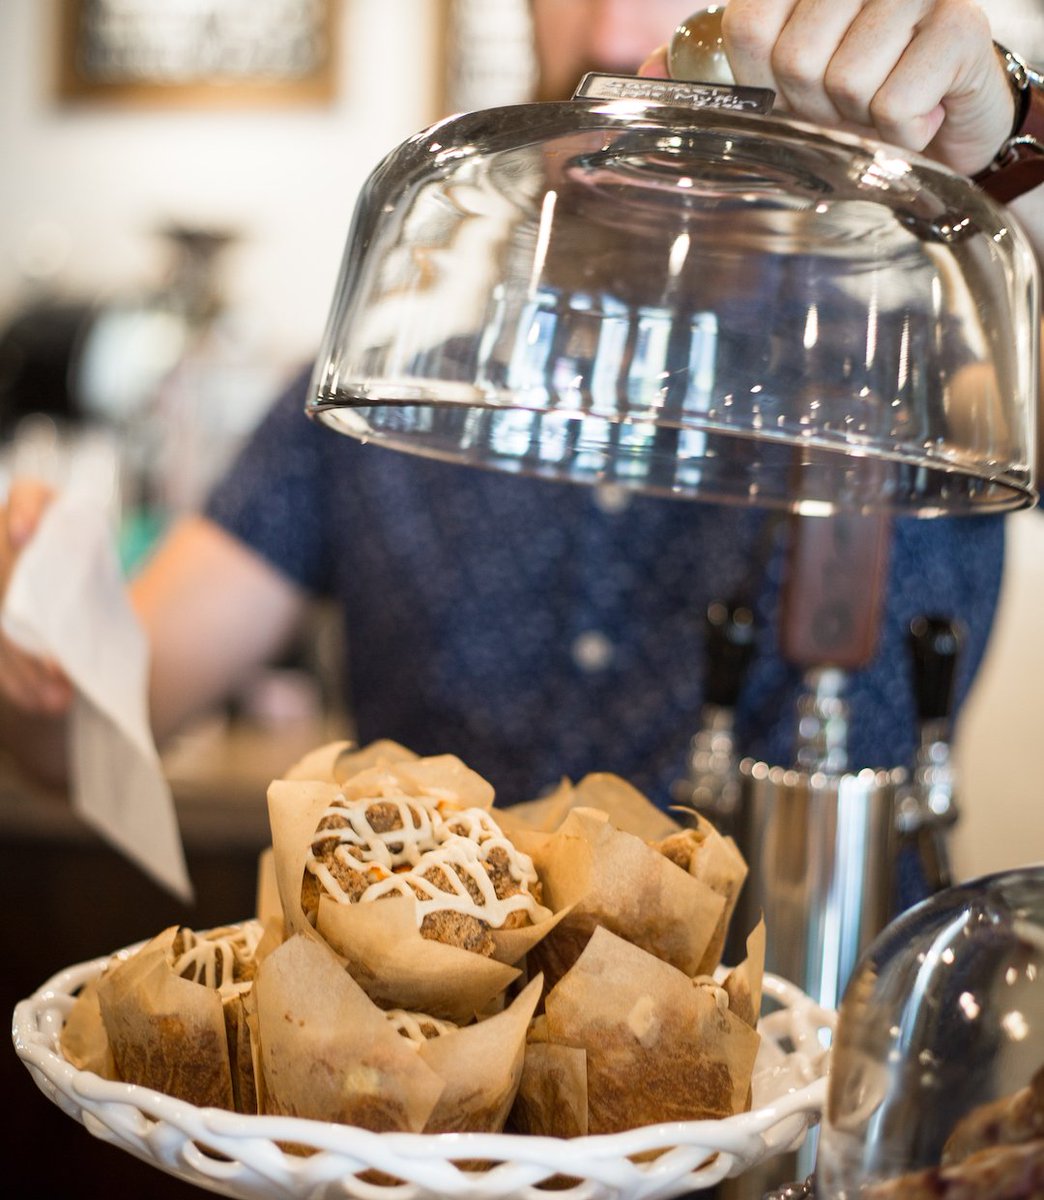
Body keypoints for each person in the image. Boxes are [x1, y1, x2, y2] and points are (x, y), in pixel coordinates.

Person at [0, 0, 1040, 821]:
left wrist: (1017, 142)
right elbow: (80, 744)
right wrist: (37, 631)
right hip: (432, 1027)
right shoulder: (396, 375)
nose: (614, 34)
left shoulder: (944, 356)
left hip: (839, 1027)